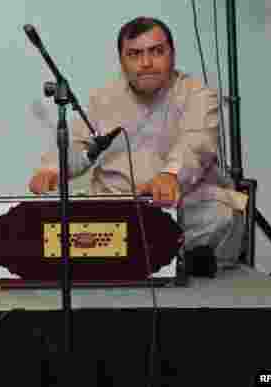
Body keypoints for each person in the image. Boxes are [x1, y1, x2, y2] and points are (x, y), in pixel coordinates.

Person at [28, 17, 247, 272]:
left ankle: (125, 254)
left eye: (156, 52)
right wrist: (53, 169)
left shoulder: (197, 95)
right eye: (135, 54)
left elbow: (196, 143)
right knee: (56, 224)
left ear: (172, 55)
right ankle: (151, 255)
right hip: (117, 212)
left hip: (177, 210)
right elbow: (80, 146)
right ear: (122, 62)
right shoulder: (105, 98)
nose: (146, 63)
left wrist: (170, 175)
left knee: (220, 216)